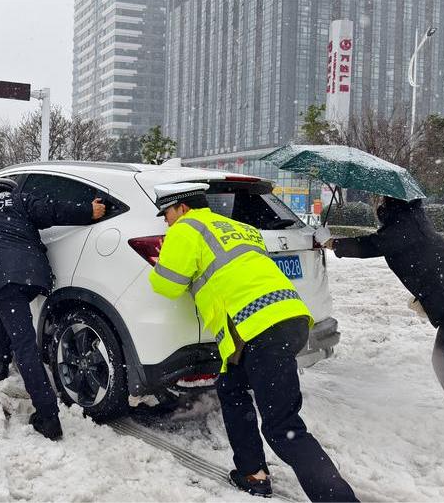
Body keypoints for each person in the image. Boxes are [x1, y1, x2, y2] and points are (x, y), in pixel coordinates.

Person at [149, 183, 357, 502]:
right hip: (290, 317)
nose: (166, 220)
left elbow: (166, 285)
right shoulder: (241, 228)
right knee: (231, 389)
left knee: (282, 426)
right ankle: (252, 473)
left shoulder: (185, 229)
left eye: (166, 213)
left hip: (258, 329)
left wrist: (160, 259)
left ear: (182, 208)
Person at [326, 196, 444, 435]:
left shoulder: (403, 226)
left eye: (378, 200)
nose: (374, 204)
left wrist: (332, 243)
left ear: (389, 204)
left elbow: (370, 245)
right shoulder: (411, 220)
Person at [0, 178, 105, 441]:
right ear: (9, 190)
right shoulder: (19, 200)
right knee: (6, 315)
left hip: (2, 279)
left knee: (24, 344)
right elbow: (51, 210)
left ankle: (48, 416)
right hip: (31, 274)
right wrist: (87, 210)